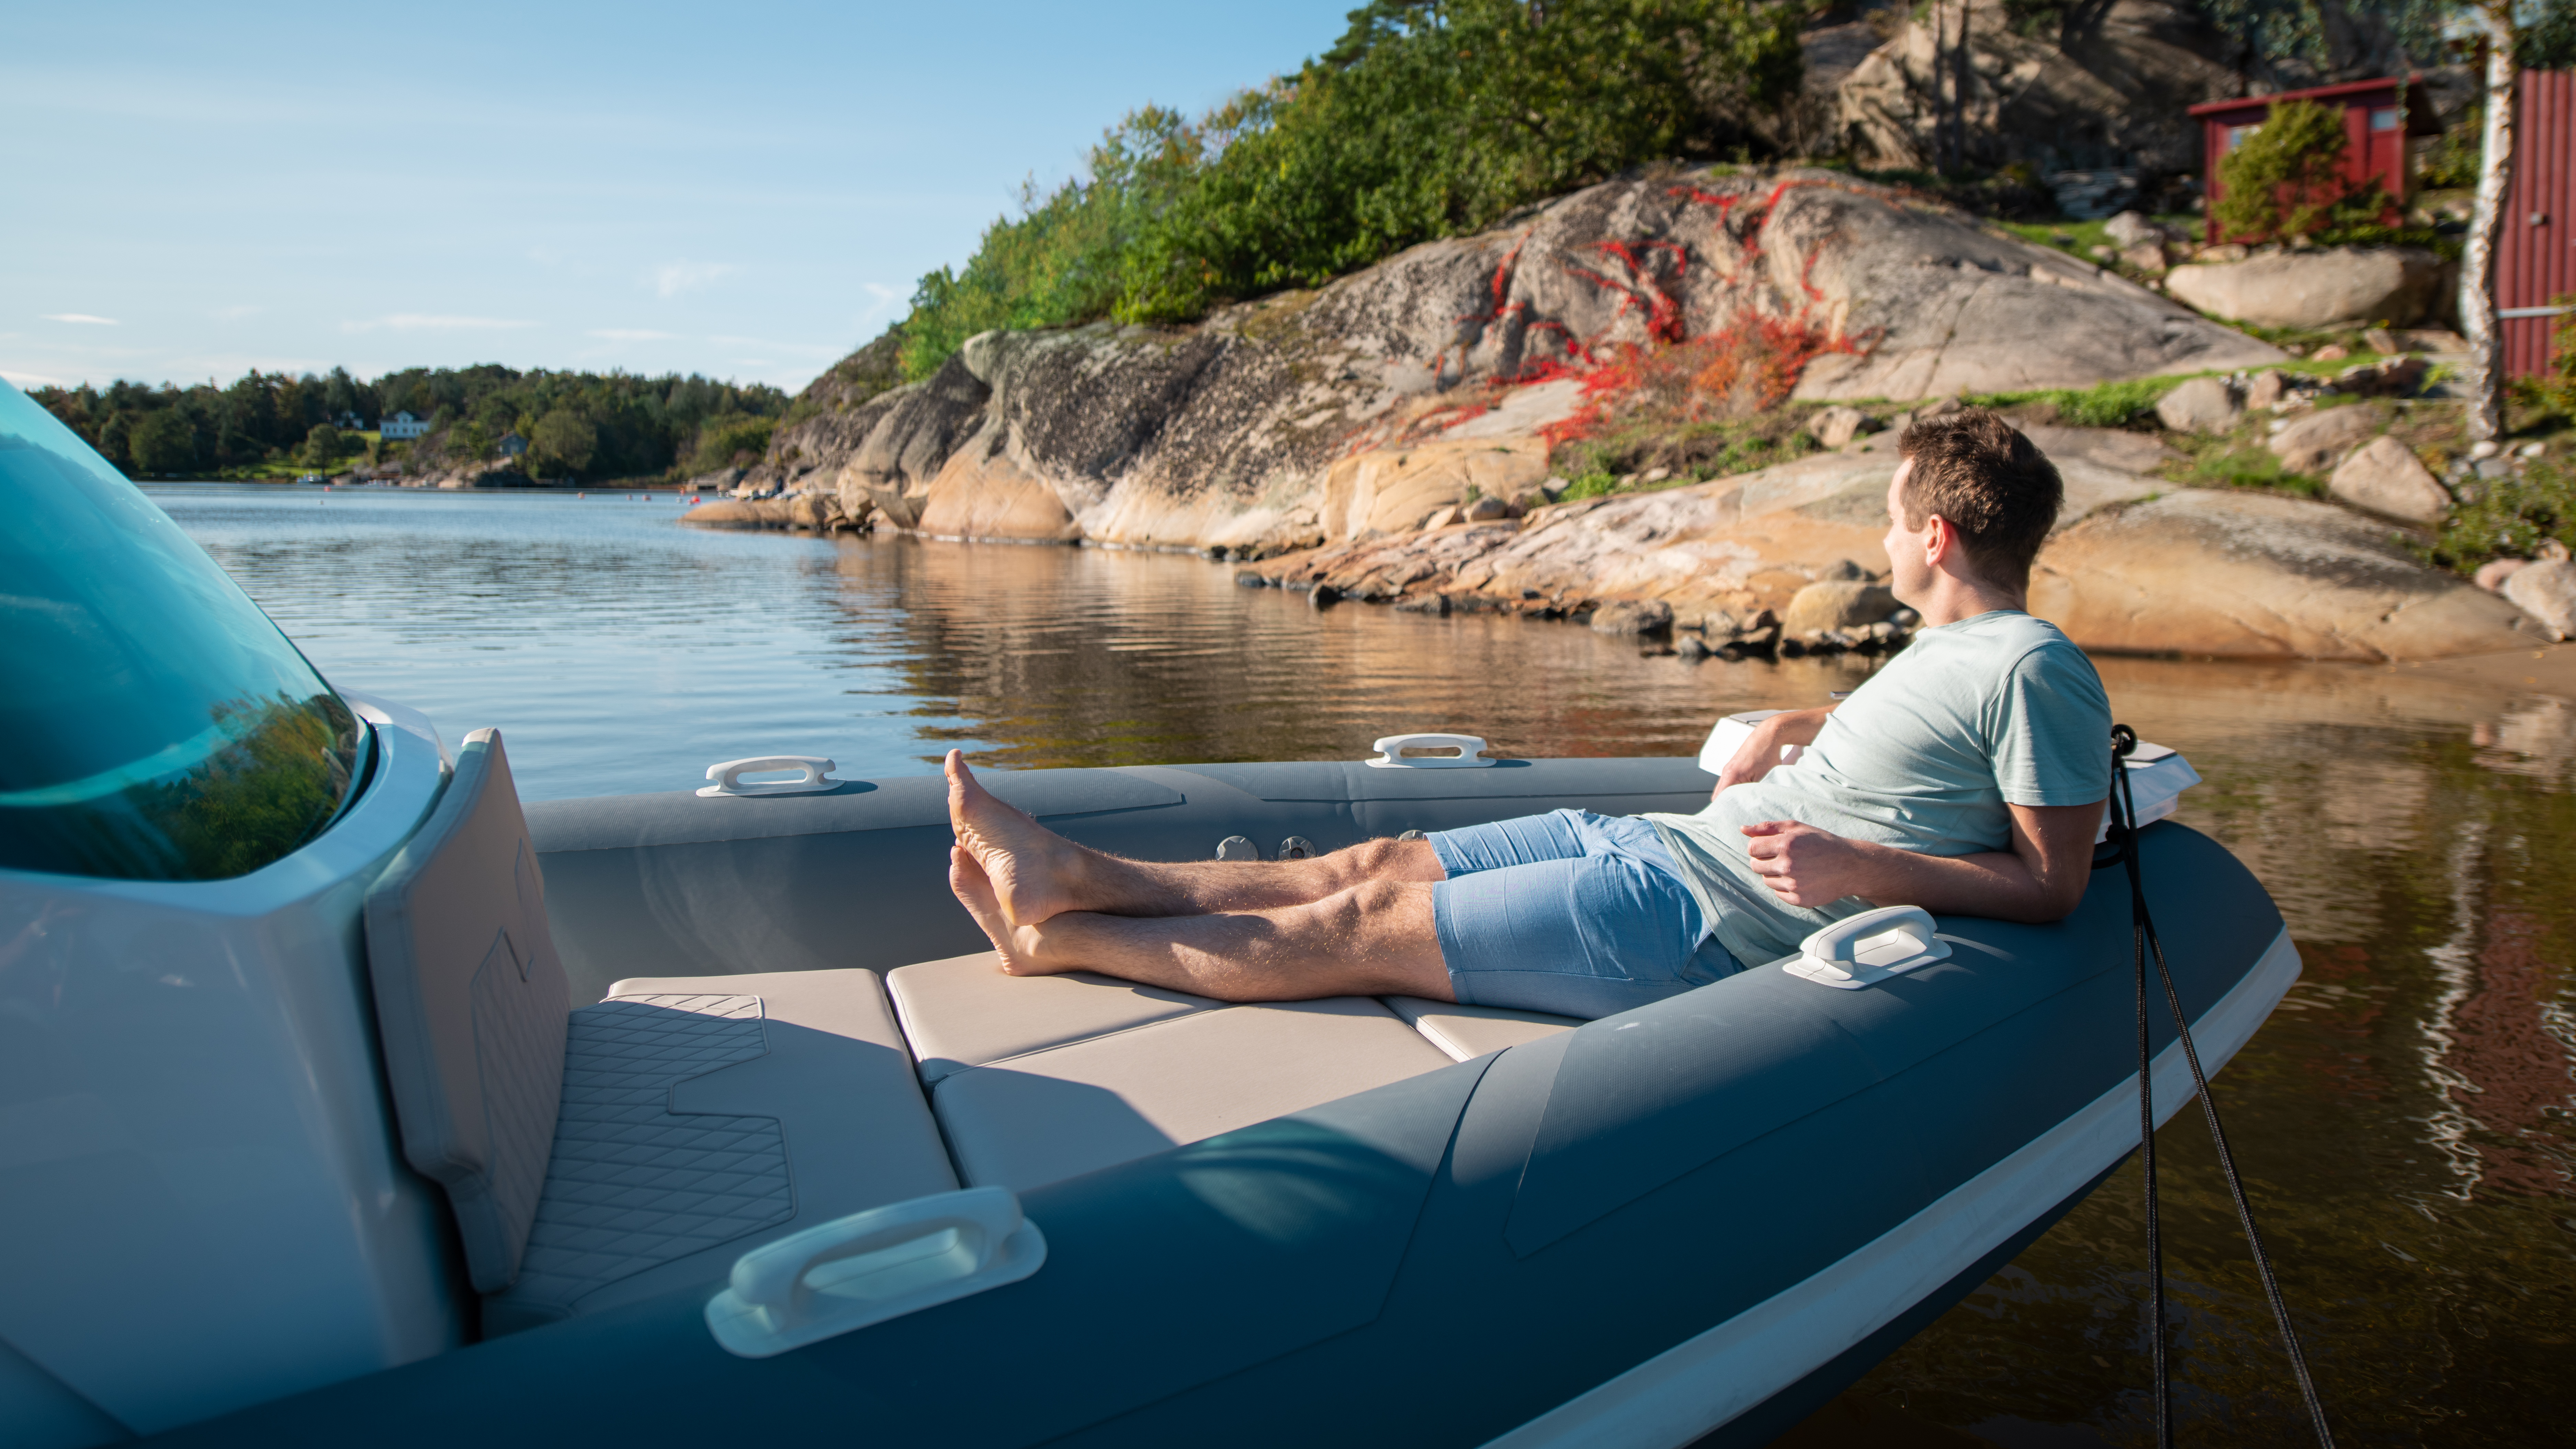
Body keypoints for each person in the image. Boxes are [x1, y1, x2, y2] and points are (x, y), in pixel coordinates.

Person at [943, 409, 2112, 1018]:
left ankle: (1059, 940)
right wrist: (1800, 720)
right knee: (1375, 856)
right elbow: (1919, 747)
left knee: (1364, 922)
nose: (1879, 531)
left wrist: (1858, 862)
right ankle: (1067, 869)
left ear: (1933, 537)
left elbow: (2050, 885)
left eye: (1890, 511)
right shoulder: (1953, 647)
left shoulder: (2034, 668)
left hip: (1694, 916)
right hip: (1654, 843)